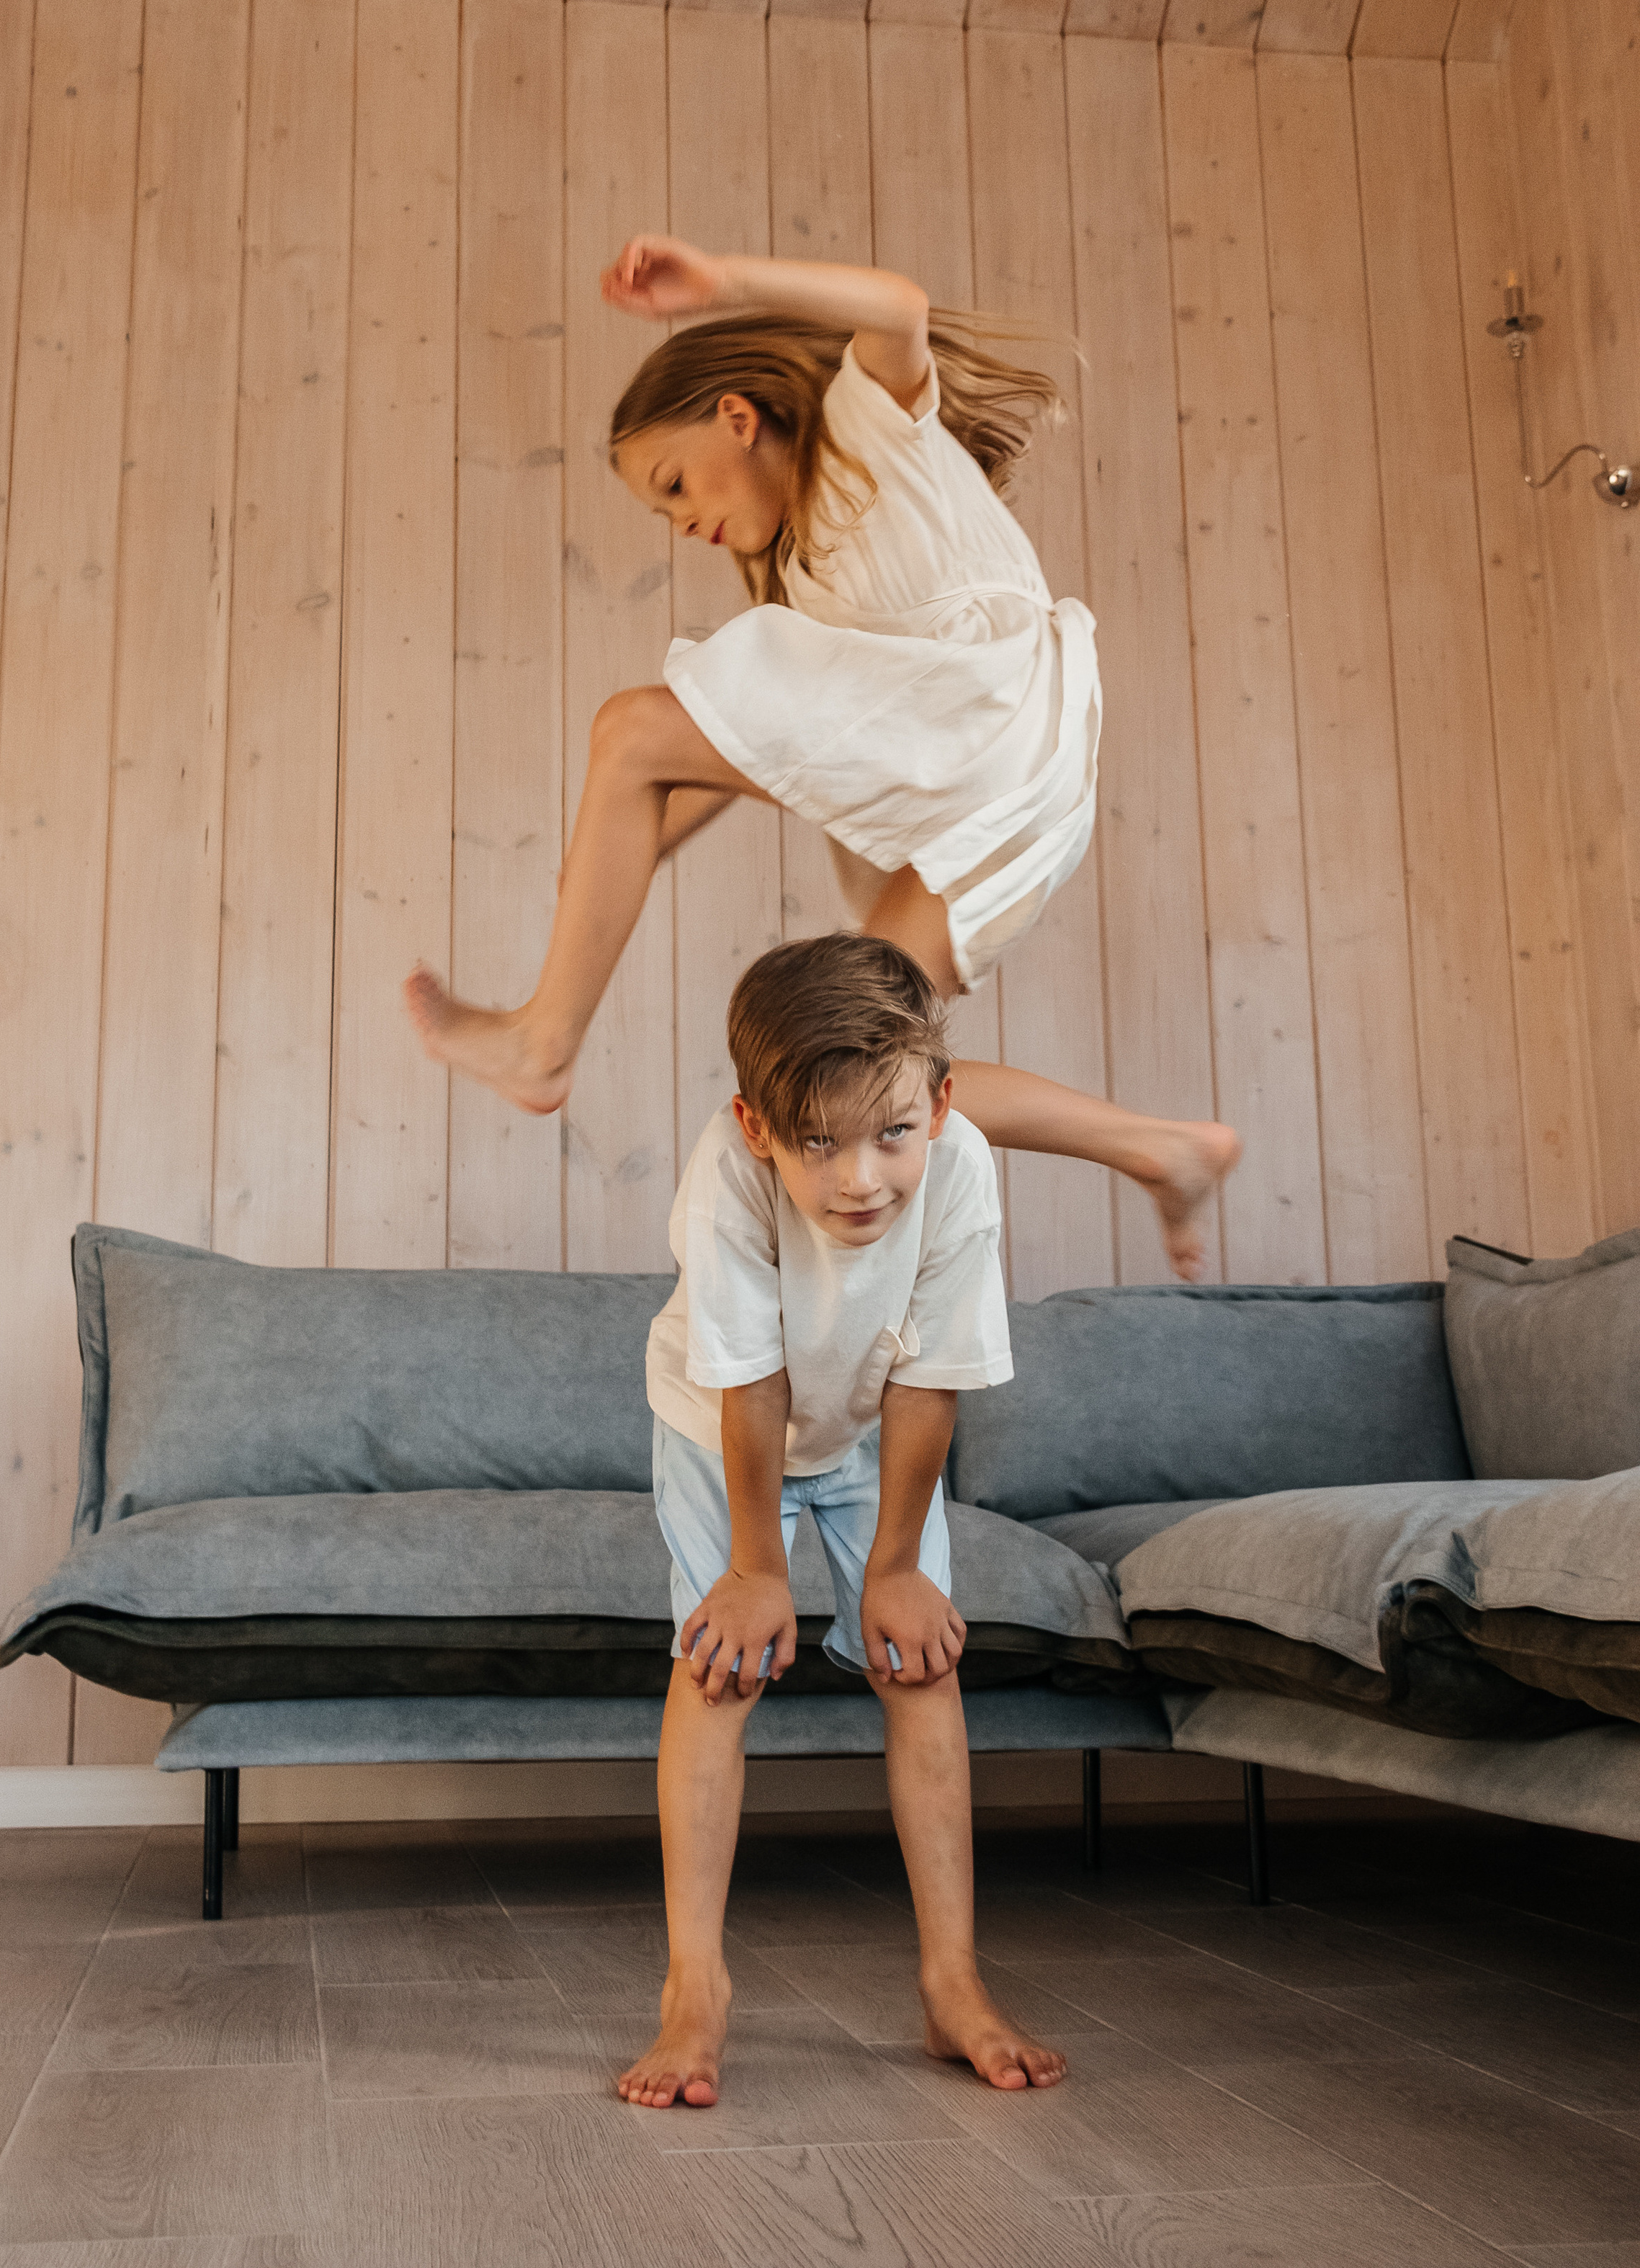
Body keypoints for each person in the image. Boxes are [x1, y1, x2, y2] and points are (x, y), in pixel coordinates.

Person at [409, 236, 1237, 1279]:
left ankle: (542, 1046)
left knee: (628, 729)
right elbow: (744, 761)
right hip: (998, 795)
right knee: (853, 1083)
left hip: (985, 732)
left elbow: (897, 307)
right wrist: (619, 849)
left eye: (673, 484)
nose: (682, 524)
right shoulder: (801, 581)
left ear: (737, 417)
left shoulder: (865, 433)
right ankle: (1163, 1149)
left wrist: (721, 285)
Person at [619, 932, 1065, 2108]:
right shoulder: (726, 1171)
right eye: (819, 1143)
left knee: (921, 1664)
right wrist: (758, 1569)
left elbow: (936, 1374)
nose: (861, 1177)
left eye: (891, 1135)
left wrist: (898, 1566)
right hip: (725, 1419)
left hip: (871, 1422)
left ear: (940, 1104)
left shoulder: (962, 1166)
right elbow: (749, 1375)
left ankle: (951, 1980)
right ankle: (695, 1989)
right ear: (760, 1126)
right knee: (720, 1668)